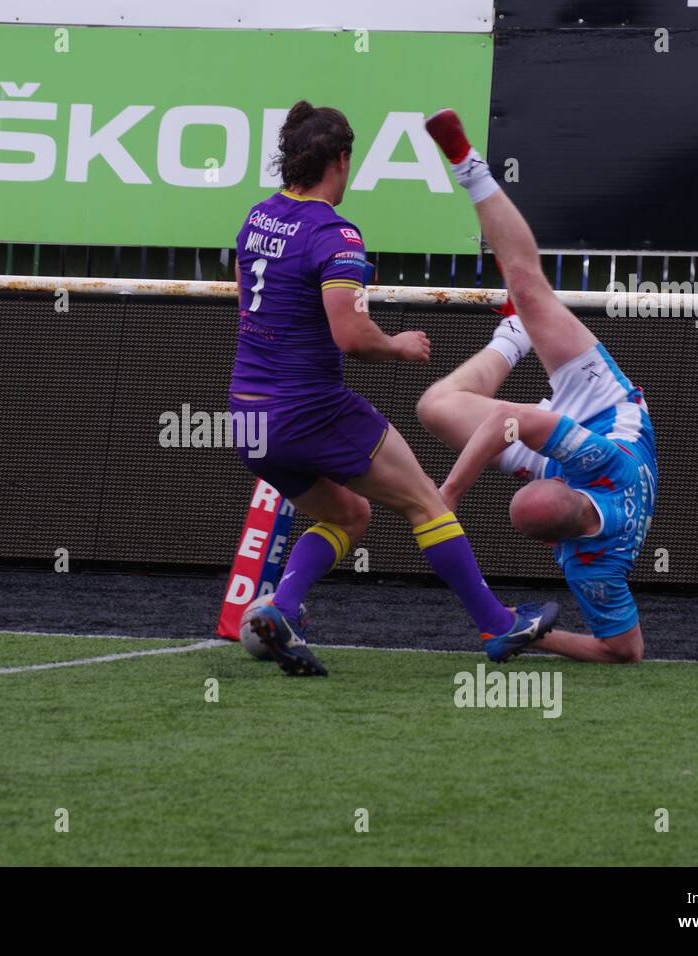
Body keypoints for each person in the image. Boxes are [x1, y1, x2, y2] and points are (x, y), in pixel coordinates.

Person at [230, 100, 559, 677]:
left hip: (249, 418)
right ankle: (497, 624)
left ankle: (281, 608)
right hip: (312, 409)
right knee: (425, 502)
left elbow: (254, 311)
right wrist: (399, 345)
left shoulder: (258, 219)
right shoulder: (335, 234)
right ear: (341, 158)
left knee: (351, 515)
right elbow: (352, 336)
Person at [417, 109, 659, 663]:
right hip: (609, 412)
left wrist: (528, 632)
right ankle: (467, 165)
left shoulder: (587, 564)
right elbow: (515, 423)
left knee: (433, 407)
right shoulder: (604, 474)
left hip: (554, 454)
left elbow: (623, 651)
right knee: (526, 285)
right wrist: (450, 494)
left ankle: (509, 337)